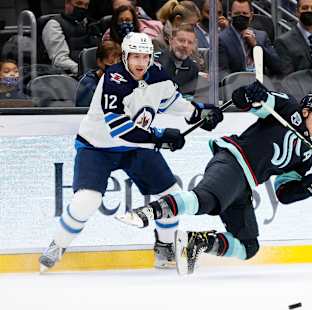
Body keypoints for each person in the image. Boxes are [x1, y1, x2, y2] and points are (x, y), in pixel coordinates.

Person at [39, 32, 223, 272]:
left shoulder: (158, 75)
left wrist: (198, 113)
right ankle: (57, 246)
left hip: (137, 147)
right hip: (98, 147)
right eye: (134, 56)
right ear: (125, 56)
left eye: (144, 56)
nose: (140, 62)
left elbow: (172, 101)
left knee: (171, 195)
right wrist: (159, 137)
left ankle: (164, 248)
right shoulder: (113, 80)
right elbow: (121, 129)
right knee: (87, 200)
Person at [115, 82, 312, 275]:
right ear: (305, 111)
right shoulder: (288, 108)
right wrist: (253, 95)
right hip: (233, 162)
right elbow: (246, 100)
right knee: (205, 200)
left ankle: (198, 243)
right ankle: (147, 212)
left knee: (248, 246)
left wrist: (311, 186)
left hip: (244, 184)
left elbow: (284, 193)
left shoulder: (307, 155)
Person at [218, 0, 282, 77]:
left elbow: (277, 66)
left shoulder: (261, 36)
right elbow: (222, 73)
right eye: (237, 13)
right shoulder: (222, 39)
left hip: (261, 84)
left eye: (245, 13)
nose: (241, 16)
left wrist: (256, 45)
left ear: (251, 16)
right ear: (229, 15)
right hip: (236, 85)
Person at [274, 0, 312, 75]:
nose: (309, 11)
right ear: (297, 12)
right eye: (305, 8)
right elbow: (287, 78)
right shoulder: (283, 42)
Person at [42, 0, 99, 75]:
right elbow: (59, 60)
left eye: (86, 5)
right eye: (79, 3)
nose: (82, 8)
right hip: (69, 75)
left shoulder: (87, 23)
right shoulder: (53, 25)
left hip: (93, 70)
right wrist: (82, 70)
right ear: (67, 4)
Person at [154, 24, 199, 97]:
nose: (185, 45)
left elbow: (189, 97)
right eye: (181, 40)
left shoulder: (193, 68)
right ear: (171, 40)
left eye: (190, 42)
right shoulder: (155, 61)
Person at [75, 40, 122, 107]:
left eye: (118, 63)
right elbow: (83, 113)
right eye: (111, 62)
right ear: (99, 62)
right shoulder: (88, 84)